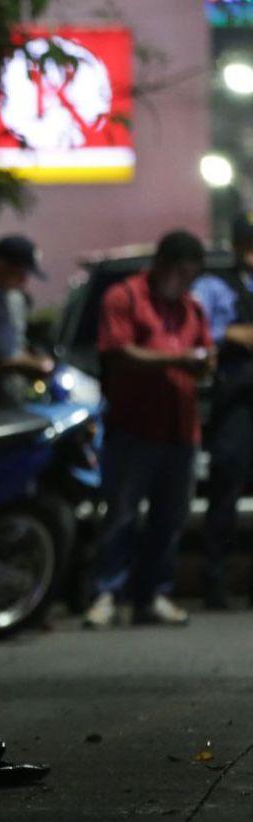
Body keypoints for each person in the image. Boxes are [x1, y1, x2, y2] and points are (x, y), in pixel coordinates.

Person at [81, 231, 215, 628]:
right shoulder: (124, 297)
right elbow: (120, 352)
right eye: (185, 274)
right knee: (121, 515)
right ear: (165, 266)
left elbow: (206, 352)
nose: (188, 283)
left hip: (182, 431)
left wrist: (204, 362)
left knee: (169, 520)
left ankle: (153, 595)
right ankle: (105, 593)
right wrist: (178, 359)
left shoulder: (192, 308)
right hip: (133, 429)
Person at [192, 213, 253, 610]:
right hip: (237, 400)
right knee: (226, 486)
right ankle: (215, 581)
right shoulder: (215, 286)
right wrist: (232, 333)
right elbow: (195, 329)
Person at [0, 235, 55, 409]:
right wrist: (15, 365)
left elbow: (17, 345)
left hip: (14, 395)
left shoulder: (17, 299)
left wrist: (37, 358)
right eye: (19, 272)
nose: (23, 280)